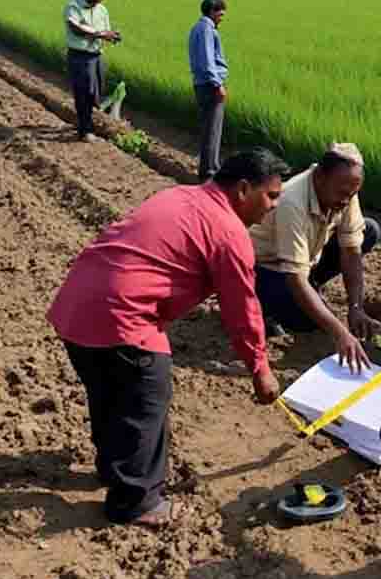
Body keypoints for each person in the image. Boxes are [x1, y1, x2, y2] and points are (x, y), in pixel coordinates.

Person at [46, 149, 288, 527]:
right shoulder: (229, 232)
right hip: (122, 317)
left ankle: (114, 469)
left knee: (109, 393)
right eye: (271, 196)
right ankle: (137, 502)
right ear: (243, 189)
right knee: (147, 396)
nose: (274, 206)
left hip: (76, 308)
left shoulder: (180, 195)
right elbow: (241, 308)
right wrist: (260, 368)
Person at [250, 143, 381, 373]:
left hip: (303, 260)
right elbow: (294, 278)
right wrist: (339, 332)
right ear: (320, 178)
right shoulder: (292, 202)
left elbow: (351, 251)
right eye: (342, 193)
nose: (346, 200)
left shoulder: (345, 191)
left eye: (352, 194)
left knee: (369, 231)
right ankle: (260, 306)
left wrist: (356, 307)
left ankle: (312, 287)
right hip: (263, 268)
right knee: (309, 321)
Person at [64, 0, 121, 142]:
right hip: (79, 56)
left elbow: (105, 31)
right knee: (84, 93)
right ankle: (85, 130)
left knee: (96, 93)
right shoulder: (73, 7)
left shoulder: (102, 10)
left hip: (96, 56)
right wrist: (100, 34)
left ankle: (89, 122)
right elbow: (76, 29)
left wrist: (112, 36)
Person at [189, 0, 229, 183]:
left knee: (209, 128)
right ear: (212, 12)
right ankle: (209, 172)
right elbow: (207, 61)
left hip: (203, 84)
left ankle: (210, 167)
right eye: (220, 13)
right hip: (209, 85)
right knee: (212, 130)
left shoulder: (198, 27)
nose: (222, 17)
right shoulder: (206, 29)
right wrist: (217, 84)